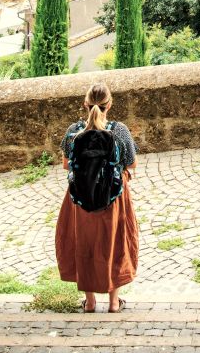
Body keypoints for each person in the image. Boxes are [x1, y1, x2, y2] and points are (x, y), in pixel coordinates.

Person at [54, 83, 139, 312]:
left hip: (79, 199)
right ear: (109, 104)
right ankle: (113, 302)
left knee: (84, 243)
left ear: (85, 104)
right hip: (114, 198)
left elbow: (65, 164)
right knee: (114, 242)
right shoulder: (119, 130)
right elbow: (131, 163)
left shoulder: (74, 131)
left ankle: (90, 302)